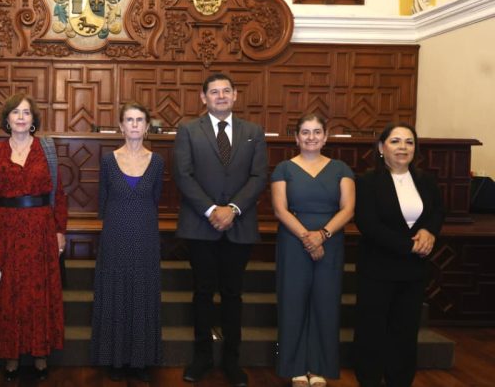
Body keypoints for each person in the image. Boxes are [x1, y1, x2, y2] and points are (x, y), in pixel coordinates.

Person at [173, 72, 268, 386]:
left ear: (235, 95)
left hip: (240, 225)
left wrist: (233, 209)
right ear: (204, 98)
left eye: (226, 91)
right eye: (214, 92)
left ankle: (231, 360)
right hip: (200, 224)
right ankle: (201, 358)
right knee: (202, 293)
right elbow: (183, 175)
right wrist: (212, 210)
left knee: (232, 294)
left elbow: (258, 176)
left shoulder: (253, 132)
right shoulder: (188, 130)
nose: (221, 96)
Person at [0, 93, 68, 381]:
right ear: (7, 119)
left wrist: (60, 230)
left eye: (26, 112)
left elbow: (58, 193)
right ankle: (11, 355)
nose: (21, 117)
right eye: (15, 112)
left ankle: (40, 354)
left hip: (41, 229)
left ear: (33, 119)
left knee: (39, 293)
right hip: (6, 231)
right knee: (9, 293)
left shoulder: (47, 149)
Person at [353, 122, 444, 387]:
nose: (403, 147)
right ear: (381, 148)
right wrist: (409, 246)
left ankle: (400, 381)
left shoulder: (426, 181)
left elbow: (438, 211)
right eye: (395, 141)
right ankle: (369, 380)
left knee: (405, 333)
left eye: (409, 142)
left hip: (413, 271)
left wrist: (429, 231)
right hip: (377, 269)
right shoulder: (367, 181)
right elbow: (368, 224)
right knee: (371, 332)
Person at [270, 114, 355, 387]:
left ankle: (319, 367)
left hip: (331, 241)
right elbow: (280, 209)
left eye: (317, 132)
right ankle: (295, 367)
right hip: (293, 241)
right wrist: (308, 238)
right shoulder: (283, 169)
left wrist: (323, 235)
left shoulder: (341, 169)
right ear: (296, 138)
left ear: (325, 136)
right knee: (292, 303)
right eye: (305, 132)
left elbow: (348, 209)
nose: (311, 137)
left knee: (325, 304)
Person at [90, 102, 164, 382]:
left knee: (143, 293)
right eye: (129, 120)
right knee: (115, 293)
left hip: (145, 236)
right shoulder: (108, 160)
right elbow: (103, 201)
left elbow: (155, 198)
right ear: (121, 126)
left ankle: (140, 360)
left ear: (147, 127)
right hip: (115, 236)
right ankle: (114, 358)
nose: (134, 125)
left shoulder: (157, 162)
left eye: (139, 120)